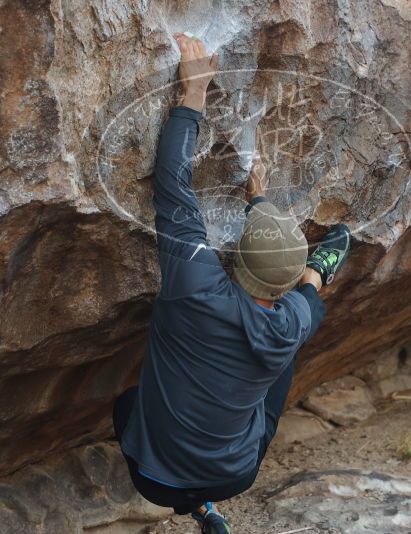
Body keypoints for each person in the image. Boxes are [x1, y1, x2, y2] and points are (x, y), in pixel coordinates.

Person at [112, 33, 351, 534]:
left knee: (127, 404)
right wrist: (267, 208)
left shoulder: (196, 285)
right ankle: (206, 508)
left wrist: (193, 96)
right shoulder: (293, 320)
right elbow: (307, 291)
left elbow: (173, 187)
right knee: (286, 352)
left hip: (156, 482)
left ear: (237, 259)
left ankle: (192, 505)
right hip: (234, 476)